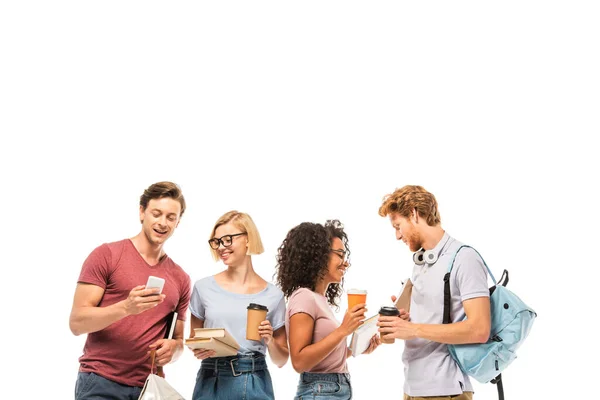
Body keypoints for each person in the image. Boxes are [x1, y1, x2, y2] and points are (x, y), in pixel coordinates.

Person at [69, 181, 192, 400]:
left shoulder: (181, 278)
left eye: (171, 217)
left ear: (178, 222)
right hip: (101, 382)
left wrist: (173, 349)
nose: (163, 223)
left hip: (151, 389)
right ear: (142, 212)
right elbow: (77, 323)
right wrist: (126, 307)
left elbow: (179, 341)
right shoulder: (107, 255)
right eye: (157, 213)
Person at [376, 185, 491, 400]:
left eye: (398, 226)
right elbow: (431, 318)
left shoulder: (464, 259)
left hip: (444, 389)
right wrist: (405, 319)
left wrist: (413, 328)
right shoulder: (422, 261)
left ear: (414, 213)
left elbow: (479, 329)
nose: (397, 235)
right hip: (412, 386)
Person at [189, 211, 289, 400]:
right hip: (211, 378)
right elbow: (194, 341)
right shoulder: (203, 288)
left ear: (248, 240)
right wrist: (199, 349)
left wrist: (270, 340)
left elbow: (282, 360)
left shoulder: (273, 295)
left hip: (253, 379)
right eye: (217, 242)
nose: (221, 247)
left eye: (228, 239)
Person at [275, 219, 379, 400]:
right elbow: (299, 362)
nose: (345, 263)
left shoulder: (318, 299)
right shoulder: (304, 297)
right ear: (319, 255)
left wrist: (356, 349)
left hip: (332, 389)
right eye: (340, 254)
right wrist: (342, 330)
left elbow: (323, 360)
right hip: (320, 391)